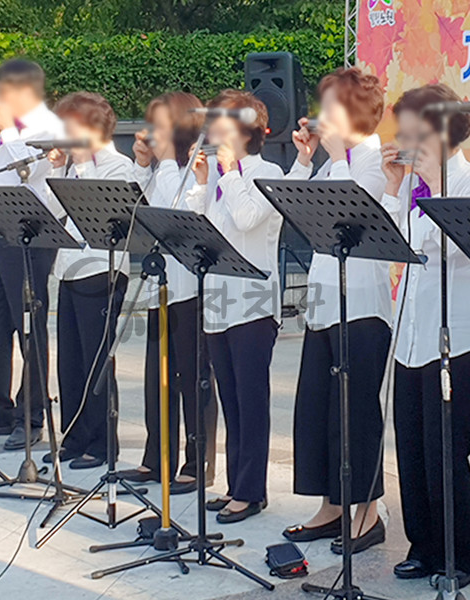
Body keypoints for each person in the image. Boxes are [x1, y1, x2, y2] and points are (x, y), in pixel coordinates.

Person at [381, 84, 470, 588]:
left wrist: (434, 181)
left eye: (413, 132)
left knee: (446, 449)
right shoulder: (412, 189)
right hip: (411, 335)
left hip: (458, 339)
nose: (404, 141)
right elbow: (393, 249)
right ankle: (423, 547)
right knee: (411, 448)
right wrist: (393, 187)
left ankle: (462, 556)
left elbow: (446, 249)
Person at [282, 67, 391, 553]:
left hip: (362, 307)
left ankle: (367, 512)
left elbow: (354, 216)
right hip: (325, 304)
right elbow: (300, 215)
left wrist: (338, 156)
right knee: (319, 410)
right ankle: (331, 507)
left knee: (355, 413)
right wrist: (308, 160)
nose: (319, 116)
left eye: (328, 107)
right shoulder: (332, 164)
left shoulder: (371, 161)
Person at [186, 90, 283, 523]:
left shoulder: (268, 173)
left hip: (253, 305)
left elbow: (247, 219)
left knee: (251, 400)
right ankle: (234, 485)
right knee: (229, 399)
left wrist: (227, 174)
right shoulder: (221, 177)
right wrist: (202, 183)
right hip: (219, 302)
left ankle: (251, 491)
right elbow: (201, 230)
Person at [0, 58, 64, 450]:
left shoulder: (48, 127)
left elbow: (29, 170)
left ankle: (31, 414)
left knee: (29, 326)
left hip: (32, 236)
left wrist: (5, 129)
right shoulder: (6, 130)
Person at [118, 92, 218, 493]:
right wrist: (144, 165)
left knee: (193, 378)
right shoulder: (163, 169)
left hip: (191, 287)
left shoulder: (194, 166)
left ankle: (198, 461)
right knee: (156, 378)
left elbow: (182, 215)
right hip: (161, 287)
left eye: (158, 125)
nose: (151, 132)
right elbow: (139, 210)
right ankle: (156, 457)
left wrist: (162, 164)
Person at [45, 92, 133, 469]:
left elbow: (95, 212)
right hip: (69, 267)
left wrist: (80, 165)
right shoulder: (70, 167)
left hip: (102, 270)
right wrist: (57, 170)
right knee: (70, 360)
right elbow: (54, 212)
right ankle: (74, 435)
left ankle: (101, 444)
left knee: (96, 360)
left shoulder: (119, 166)